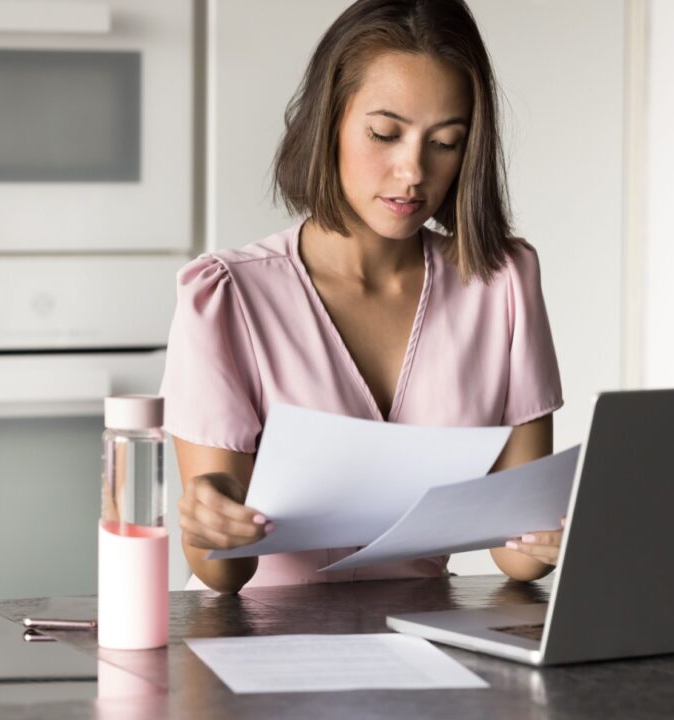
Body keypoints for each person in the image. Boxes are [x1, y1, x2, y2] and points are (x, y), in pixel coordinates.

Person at [160, 0, 565, 593]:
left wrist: (556, 526)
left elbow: (521, 557)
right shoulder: (225, 295)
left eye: (445, 142)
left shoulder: (502, 283)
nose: (413, 171)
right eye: (384, 134)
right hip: (261, 635)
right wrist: (209, 520)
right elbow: (223, 573)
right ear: (329, 123)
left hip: (422, 634)